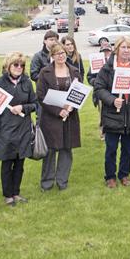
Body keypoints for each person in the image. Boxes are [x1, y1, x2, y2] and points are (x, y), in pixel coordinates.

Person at [94, 36, 130, 188]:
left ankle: (124, 175)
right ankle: (110, 177)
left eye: (129, 48)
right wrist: (112, 100)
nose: (126, 51)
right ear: (116, 49)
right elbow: (99, 88)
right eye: (123, 47)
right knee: (111, 149)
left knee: (128, 149)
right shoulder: (108, 67)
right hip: (113, 115)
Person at [0, 52, 37, 206]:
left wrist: (23, 107)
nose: (19, 68)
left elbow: (35, 104)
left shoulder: (27, 83)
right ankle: (8, 195)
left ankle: (16, 192)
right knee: (7, 163)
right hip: (6, 130)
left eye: (22, 65)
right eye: (15, 64)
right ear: (8, 66)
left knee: (19, 164)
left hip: (23, 129)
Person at [37, 42, 81, 191]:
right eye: (57, 54)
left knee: (66, 150)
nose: (61, 56)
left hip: (70, 117)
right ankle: (47, 183)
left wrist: (71, 107)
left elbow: (79, 93)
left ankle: (62, 182)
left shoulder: (74, 71)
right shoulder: (45, 72)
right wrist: (58, 111)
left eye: (62, 53)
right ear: (52, 56)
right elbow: (41, 96)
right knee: (50, 151)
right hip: (51, 118)